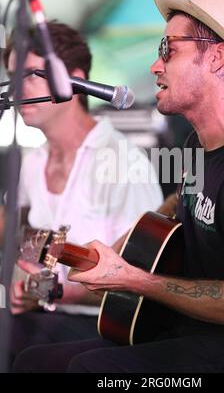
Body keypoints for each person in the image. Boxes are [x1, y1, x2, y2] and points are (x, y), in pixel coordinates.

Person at [13, 0, 224, 373]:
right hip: (199, 333)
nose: (155, 65)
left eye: (169, 49)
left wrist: (135, 279)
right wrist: (126, 244)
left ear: (216, 57)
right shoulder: (201, 146)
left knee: (88, 370)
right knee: (36, 361)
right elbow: (185, 198)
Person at [2, 22, 163, 363]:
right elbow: (26, 243)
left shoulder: (122, 163)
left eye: (30, 75)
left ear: (75, 81)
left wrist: (48, 292)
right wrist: (24, 280)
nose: (18, 90)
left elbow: (139, 284)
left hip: (105, 327)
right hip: (46, 316)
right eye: (12, 76)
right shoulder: (33, 162)